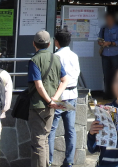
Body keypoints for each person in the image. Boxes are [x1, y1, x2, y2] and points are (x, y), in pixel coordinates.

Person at [28, 30, 70, 167]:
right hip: (52, 105)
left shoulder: (34, 60)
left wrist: (48, 100)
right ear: (49, 44)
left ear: (34, 44)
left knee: (38, 141)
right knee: (45, 139)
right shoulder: (55, 58)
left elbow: (39, 85)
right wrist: (54, 99)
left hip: (38, 105)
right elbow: (65, 80)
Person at [49, 29, 81, 167]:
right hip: (72, 94)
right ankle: (69, 161)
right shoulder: (74, 56)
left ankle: (49, 161)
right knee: (70, 129)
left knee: (51, 129)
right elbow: (77, 73)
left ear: (56, 42)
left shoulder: (55, 56)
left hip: (59, 95)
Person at [99, 11, 118, 99]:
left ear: (113, 19)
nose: (108, 21)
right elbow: (99, 39)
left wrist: (110, 43)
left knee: (115, 75)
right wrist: (100, 43)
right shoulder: (103, 28)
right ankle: (107, 93)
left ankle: (115, 94)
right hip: (105, 54)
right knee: (106, 75)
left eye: (109, 19)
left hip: (115, 54)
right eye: (106, 19)